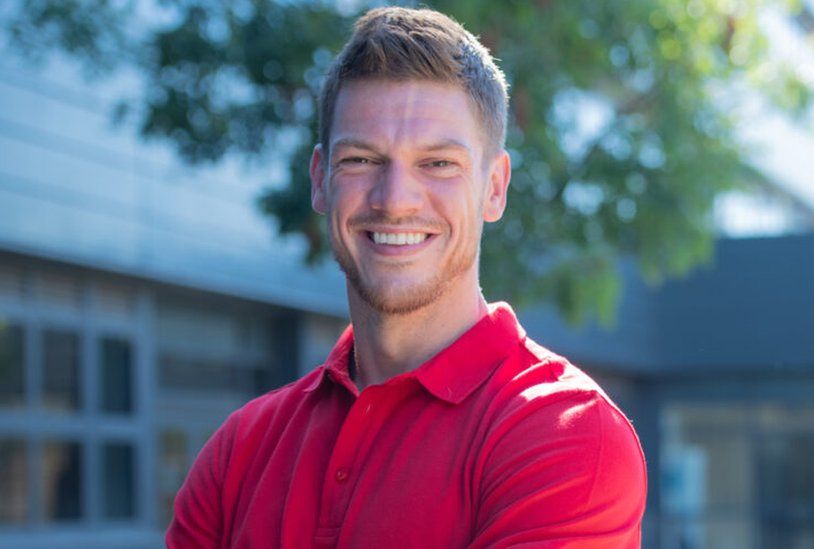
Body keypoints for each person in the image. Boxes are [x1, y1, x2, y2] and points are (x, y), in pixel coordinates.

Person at [166, 7, 646, 548]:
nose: (394, 200)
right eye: (362, 160)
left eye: (438, 163)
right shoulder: (241, 449)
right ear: (320, 180)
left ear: (494, 187)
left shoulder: (567, 435)